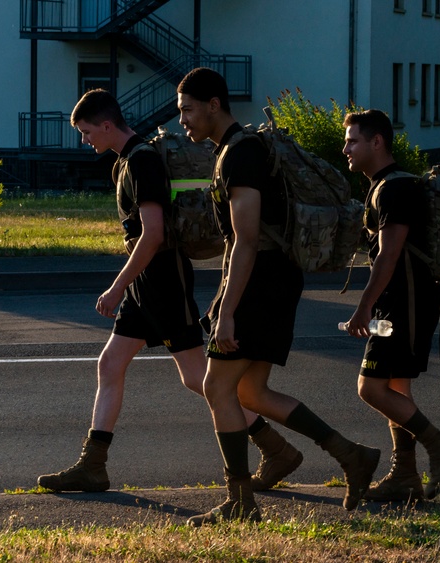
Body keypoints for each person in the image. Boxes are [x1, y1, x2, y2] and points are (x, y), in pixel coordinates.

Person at [37, 89, 302, 494]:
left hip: (162, 281)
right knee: (111, 364)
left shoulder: (142, 160)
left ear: (107, 125)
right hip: (146, 283)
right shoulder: (126, 162)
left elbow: (153, 234)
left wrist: (116, 286)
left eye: (86, 131)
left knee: (200, 378)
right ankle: (93, 466)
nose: (84, 139)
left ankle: (276, 448)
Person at [176, 68, 380, 526]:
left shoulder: (240, 155)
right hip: (272, 278)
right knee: (250, 390)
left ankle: (241, 502)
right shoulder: (238, 149)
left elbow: (245, 240)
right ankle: (352, 454)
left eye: (188, 109)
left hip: (262, 280)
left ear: (214, 105)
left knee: (216, 386)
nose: (183, 120)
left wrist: (226, 313)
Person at [340, 109, 440, 502]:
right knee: (396, 385)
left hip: (403, 305)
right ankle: (405, 474)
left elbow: (389, 254)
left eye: (353, 141)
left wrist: (364, 307)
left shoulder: (394, 189)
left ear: (376, 142)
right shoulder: (384, 185)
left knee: (370, 387)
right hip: (400, 303)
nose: (345, 148)